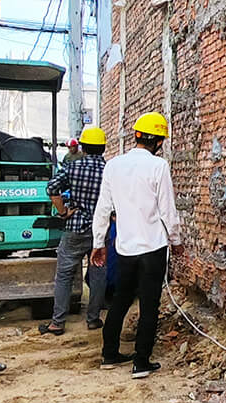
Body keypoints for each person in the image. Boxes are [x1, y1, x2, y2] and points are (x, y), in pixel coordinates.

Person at [90, 113, 181, 379]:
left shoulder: (113, 166)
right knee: (149, 305)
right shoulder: (158, 166)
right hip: (153, 247)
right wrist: (176, 241)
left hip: (125, 248)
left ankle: (109, 354)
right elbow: (168, 210)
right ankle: (141, 362)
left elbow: (103, 208)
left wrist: (98, 242)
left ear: (136, 135)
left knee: (121, 299)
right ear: (159, 142)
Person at [38, 126, 108, 335]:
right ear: (103, 148)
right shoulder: (109, 170)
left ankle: (57, 323)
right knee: (98, 274)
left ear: (83, 148)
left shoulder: (73, 168)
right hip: (100, 230)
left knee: (64, 275)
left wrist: (63, 212)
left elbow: (52, 188)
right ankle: (93, 319)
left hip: (75, 228)